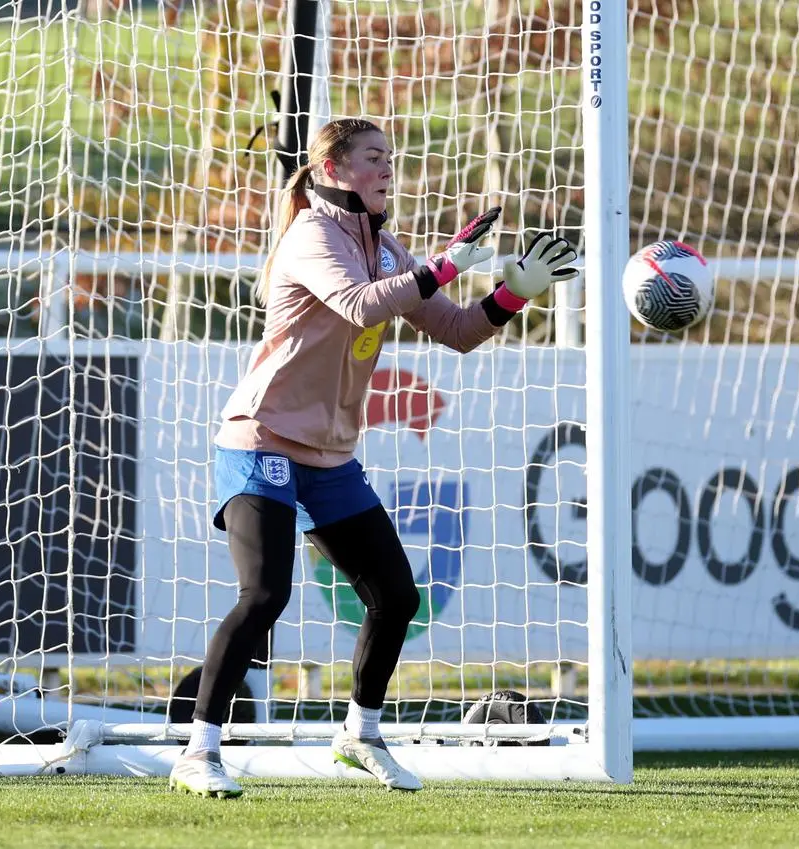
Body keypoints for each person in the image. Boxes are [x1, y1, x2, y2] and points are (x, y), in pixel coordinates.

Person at [169, 117, 579, 797]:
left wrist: (515, 291)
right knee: (266, 592)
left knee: (397, 595)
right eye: (372, 157)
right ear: (331, 169)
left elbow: (455, 330)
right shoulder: (308, 236)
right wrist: (443, 264)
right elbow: (361, 307)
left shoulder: (385, 247)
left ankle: (360, 735)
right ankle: (198, 749)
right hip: (261, 436)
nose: (388, 168)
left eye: (390, 157)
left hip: (329, 456)